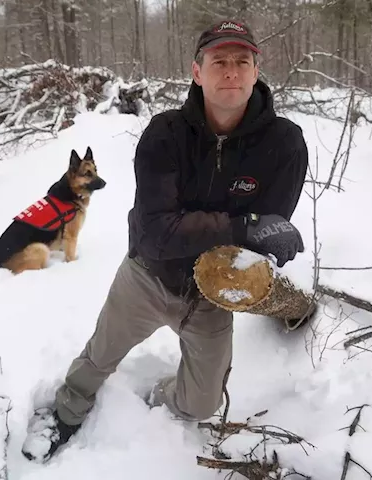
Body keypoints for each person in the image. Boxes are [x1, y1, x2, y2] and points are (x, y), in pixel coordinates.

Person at [21, 19, 309, 464]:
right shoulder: (165, 134)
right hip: (148, 276)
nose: (230, 71)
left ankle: (156, 397)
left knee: (201, 404)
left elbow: (266, 231)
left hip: (213, 293)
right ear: (197, 71)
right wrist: (242, 225)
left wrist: (254, 234)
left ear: (257, 69)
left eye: (241, 61)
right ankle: (64, 414)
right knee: (98, 357)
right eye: (219, 61)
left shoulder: (285, 144)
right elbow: (157, 233)